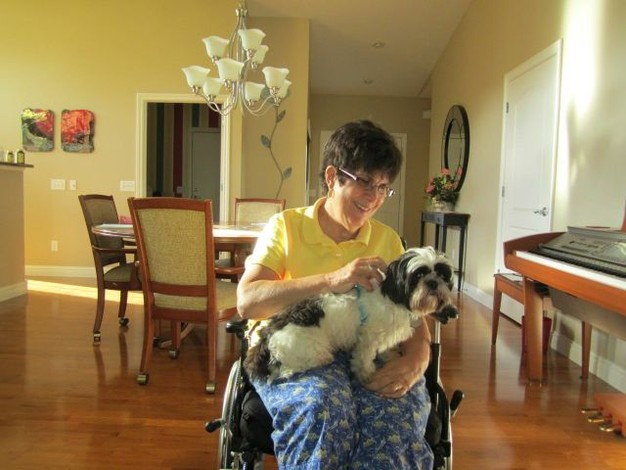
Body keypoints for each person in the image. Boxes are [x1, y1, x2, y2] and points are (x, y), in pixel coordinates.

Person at [237, 120, 433, 469]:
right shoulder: (286, 226)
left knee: (395, 421)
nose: (373, 197)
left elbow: (413, 316)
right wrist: (333, 279)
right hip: (293, 349)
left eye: (383, 187)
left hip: (370, 349)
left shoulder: (388, 240)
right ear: (332, 177)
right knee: (321, 408)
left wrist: (418, 359)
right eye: (364, 181)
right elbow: (248, 301)